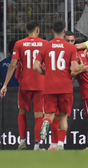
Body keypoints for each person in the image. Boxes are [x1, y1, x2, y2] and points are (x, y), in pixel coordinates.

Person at [0, 21, 47, 150]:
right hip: (40, 83)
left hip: (25, 83)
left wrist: (5, 85)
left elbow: (12, 65)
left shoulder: (19, 44)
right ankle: (37, 144)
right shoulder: (45, 44)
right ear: (38, 31)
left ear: (27, 31)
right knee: (39, 115)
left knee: (22, 111)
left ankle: (22, 142)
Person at [33, 20, 80, 151]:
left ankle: (46, 122)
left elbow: (35, 66)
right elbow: (75, 69)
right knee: (63, 116)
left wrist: (46, 73)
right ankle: (60, 144)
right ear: (64, 32)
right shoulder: (71, 48)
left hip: (49, 86)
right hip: (65, 86)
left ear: (52, 31)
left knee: (49, 115)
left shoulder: (45, 46)